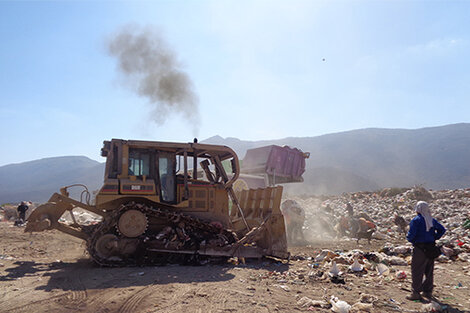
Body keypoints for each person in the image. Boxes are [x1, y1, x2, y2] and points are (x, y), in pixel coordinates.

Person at [406, 201, 446, 300]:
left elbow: (411, 235)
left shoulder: (416, 220)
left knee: (417, 270)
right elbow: (442, 229)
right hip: (431, 248)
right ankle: (427, 291)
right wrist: (434, 237)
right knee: (429, 270)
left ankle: (415, 293)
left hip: (420, 249)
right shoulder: (431, 220)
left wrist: (410, 239)